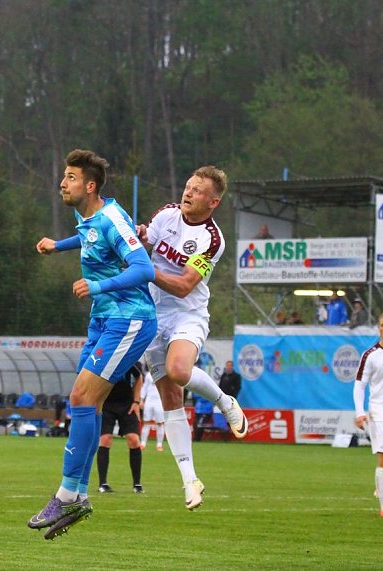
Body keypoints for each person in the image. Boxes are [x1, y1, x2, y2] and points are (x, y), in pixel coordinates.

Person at [29, 149, 157, 540]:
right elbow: (90, 238)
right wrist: (59, 245)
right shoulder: (88, 218)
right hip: (103, 320)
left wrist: (98, 285)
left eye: (70, 177)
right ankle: (79, 495)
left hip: (129, 318)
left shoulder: (113, 218)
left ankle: (67, 495)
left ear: (89, 186)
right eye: (64, 176)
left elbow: (144, 268)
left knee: (81, 398)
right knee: (86, 404)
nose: (62, 183)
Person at [136, 165, 247, 511]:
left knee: (179, 371)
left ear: (213, 202)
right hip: (153, 315)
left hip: (187, 314)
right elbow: (146, 241)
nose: (188, 193)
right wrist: (139, 237)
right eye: (188, 186)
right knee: (170, 400)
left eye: (198, 191)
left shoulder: (212, 239)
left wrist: (145, 270)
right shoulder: (166, 214)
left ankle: (224, 400)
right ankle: (190, 480)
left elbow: (184, 286)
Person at [354, 312, 383, 518]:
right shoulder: (371, 355)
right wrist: (359, 413)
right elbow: (359, 386)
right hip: (380, 413)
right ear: (379, 329)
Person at [96, 363, 144, 494]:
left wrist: (136, 401)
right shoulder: (103, 360)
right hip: (106, 404)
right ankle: (103, 483)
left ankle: (137, 484)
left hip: (127, 404)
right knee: (105, 439)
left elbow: (139, 376)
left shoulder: (127, 359)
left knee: (134, 439)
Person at [139, 365, 165, 452]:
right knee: (146, 422)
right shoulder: (148, 375)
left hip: (159, 401)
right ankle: (143, 443)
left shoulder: (164, 374)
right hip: (149, 401)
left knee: (160, 423)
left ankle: (159, 444)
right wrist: (141, 400)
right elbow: (144, 387)